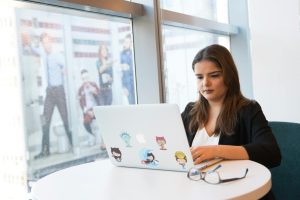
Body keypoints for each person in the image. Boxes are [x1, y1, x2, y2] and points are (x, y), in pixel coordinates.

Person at [182, 44, 281, 198]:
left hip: (239, 194)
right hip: (199, 191)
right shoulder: (190, 111)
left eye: (214, 75)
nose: (205, 83)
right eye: (199, 77)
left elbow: (272, 153)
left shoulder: (248, 109)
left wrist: (215, 151)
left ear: (229, 76)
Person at [34, 33, 73, 159]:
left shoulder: (57, 55)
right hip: (49, 92)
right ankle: (45, 150)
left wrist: (65, 72)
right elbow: (33, 48)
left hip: (59, 91)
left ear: (51, 42)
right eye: (44, 43)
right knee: (45, 121)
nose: (46, 45)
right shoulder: (44, 55)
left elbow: (67, 67)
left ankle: (74, 145)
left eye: (48, 42)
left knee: (66, 119)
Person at [120, 34, 135, 104]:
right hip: (128, 87)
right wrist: (123, 86)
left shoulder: (135, 54)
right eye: (124, 42)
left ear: (131, 43)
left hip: (136, 85)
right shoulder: (121, 55)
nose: (124, 44)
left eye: (126, 42)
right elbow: (121, 74)